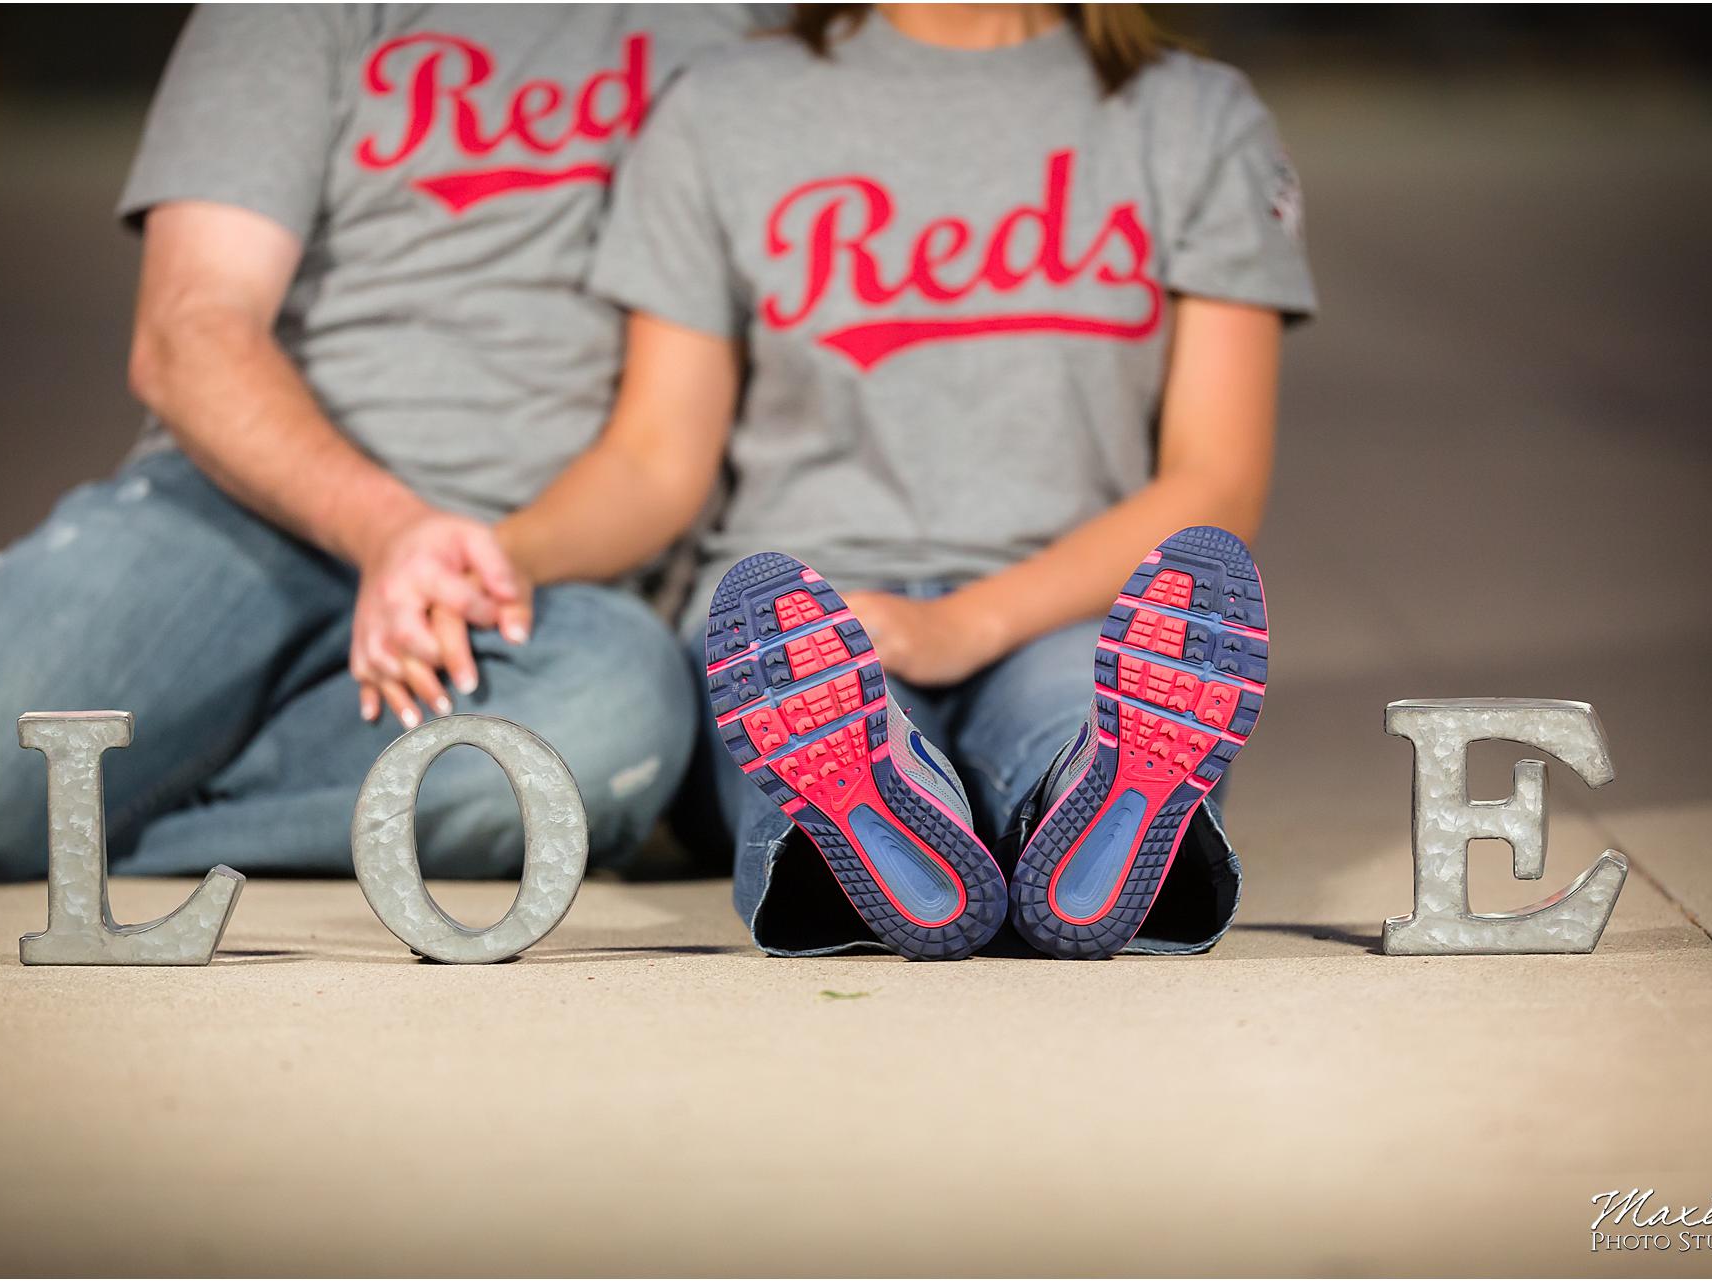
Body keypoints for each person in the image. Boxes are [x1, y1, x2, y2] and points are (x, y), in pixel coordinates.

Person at [361, 2, 1315, 959]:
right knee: (813, 721)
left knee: (1091, 707)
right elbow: (654, 461)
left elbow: (1214, 482)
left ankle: (1068, 825)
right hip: (792, 619)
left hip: (1071, 601)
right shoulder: (727, 106)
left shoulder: (1196, 119)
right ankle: (912, 825)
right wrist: (496, 556)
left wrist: (959, 624)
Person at [0, 5, 769, 883]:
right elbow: (191, 330)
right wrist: (390, 531)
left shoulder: (746, 26)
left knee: (605, 726)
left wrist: (473, 566)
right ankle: (15, 742)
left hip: (518, 582)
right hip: (243, 512)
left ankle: (85, 810)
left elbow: (660, 454)